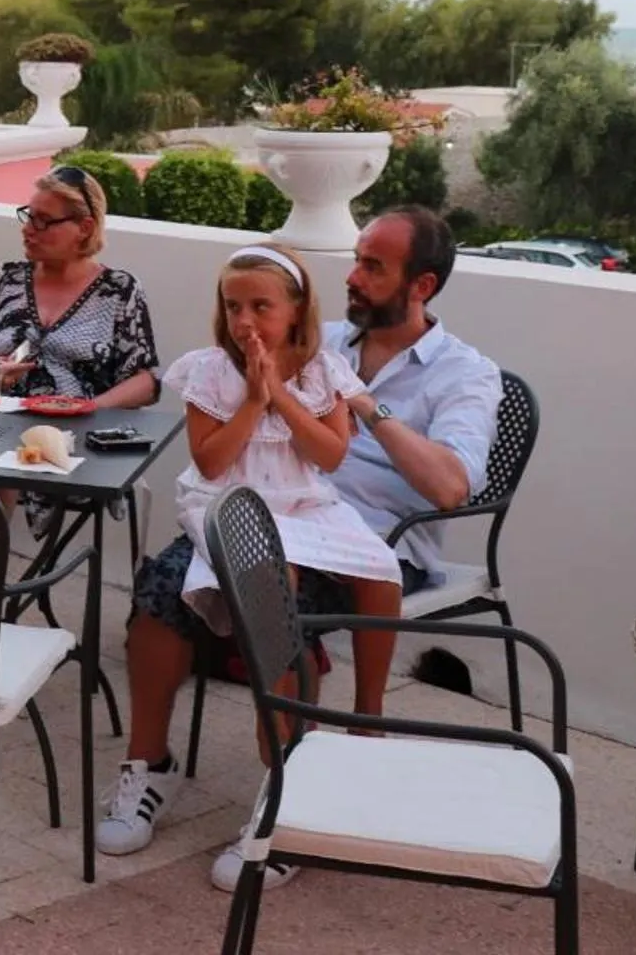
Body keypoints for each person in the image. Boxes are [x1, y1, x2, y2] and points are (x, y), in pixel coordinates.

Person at [101, 220, 500, 894]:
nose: (351, 276)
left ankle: (296, 791)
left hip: (366, 535)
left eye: (372, 267)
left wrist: (368, 409)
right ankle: (150, 766)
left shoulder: (464, 373)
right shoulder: (314, 338)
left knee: (272, 611)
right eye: (355, 260)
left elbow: (451, 485)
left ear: (421, 285)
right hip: (245, 505)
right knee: (159, 599)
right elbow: (216, 448)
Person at [0, 166, 161, 407]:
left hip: (75, 436)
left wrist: (90, 408)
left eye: (44, 221)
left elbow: (145, 382)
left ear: (85, 228)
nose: (27, 229)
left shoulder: (118, 291)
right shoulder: (2, 280)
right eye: (29, 217)